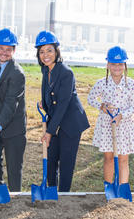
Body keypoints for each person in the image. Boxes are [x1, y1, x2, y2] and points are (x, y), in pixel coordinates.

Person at [35, 30, 90, 192]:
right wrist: (43, 104)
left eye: (49, 50)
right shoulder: (46, 70)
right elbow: (49, 94)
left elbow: (63, 104)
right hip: (56, 120)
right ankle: (51, 191)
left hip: (71, 123)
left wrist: (50, 132)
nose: (46, 55)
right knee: (51, 158)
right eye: (42, 51)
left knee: (66, 162)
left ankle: (64, 196)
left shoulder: (66, 73)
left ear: (57, 51)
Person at [87, 46, 134, 192]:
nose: (117, 67)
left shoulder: (131, 84)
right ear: (108, 65)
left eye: (120, 64)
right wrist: (102, 106)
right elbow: (90, 98)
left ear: (125, 65)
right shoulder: (102, 83)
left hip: (125, 125)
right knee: (109, 158)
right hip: (107, 125)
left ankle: (122, 187)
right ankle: (109, 187)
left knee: (123, 158)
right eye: (113, 64)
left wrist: (121, 115)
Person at [0, 28, 26, 192]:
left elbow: (11, 104)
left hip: (13, 126)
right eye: (1, 48)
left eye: (9, 49)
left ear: (14, 50)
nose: (4, 52)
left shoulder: (17, 73)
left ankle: (15, 197)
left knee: (14, 167)